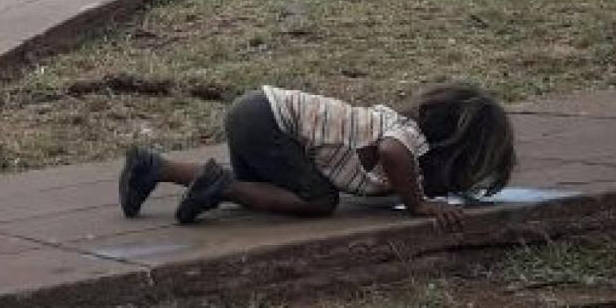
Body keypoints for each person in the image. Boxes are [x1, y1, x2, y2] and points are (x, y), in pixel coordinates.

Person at [118, 83, 517, 230]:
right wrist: (418, 204)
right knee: (319, 200)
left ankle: (154, 167)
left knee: (266, 190)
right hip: (269, 119)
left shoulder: (389, 124)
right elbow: (393, 154)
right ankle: (218, 187)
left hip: (257, 110)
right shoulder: (406, 136)